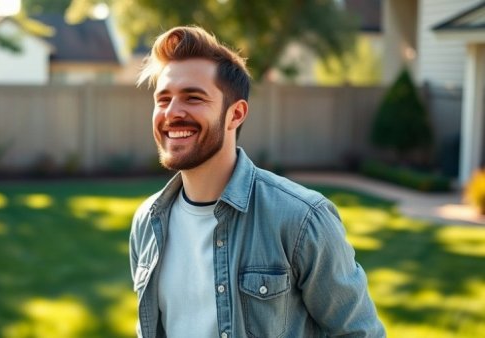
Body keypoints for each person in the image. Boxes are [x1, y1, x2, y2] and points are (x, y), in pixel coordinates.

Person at [129, 25, 385, 338]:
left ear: (235, 115)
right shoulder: (148, 221)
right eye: (163, 99)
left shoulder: (301, 219)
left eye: (193, 98)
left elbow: (359, 333)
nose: (171, 113)